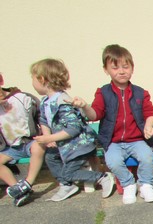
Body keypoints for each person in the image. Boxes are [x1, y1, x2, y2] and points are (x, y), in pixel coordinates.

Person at [72, 44, 153, 204]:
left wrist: (148, 125)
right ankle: (128, 184)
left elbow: (150, 113)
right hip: (114, 141)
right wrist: (85, 106)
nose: (121, 71)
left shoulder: (141, 92)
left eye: (126, 67)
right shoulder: (103, 92)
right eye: (115, 67)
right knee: (112, 161)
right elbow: (95, 114)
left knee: (147, 157)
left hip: (137, 139)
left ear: (132, 68)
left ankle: (146, 185)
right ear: (106, 69)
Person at [29, 59, 115, 202]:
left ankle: (102, 177)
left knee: (69, 172)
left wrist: (51, 139)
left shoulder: (63, 102)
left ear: (42, 79)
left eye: (33, 79)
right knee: (51, 157)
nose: (32, 83)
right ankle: (66, 185)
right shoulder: (45, 102)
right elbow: (43, 120)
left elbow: (74, 129)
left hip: (79, 145)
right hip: (63, 144)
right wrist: (47, 135)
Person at [0, 73, 47, 206]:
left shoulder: (21, 98)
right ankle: (18, 189)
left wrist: (45, 134)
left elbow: (41, 114)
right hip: (10, 147)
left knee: (38, 147)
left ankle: (27, 183)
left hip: (29, 141)